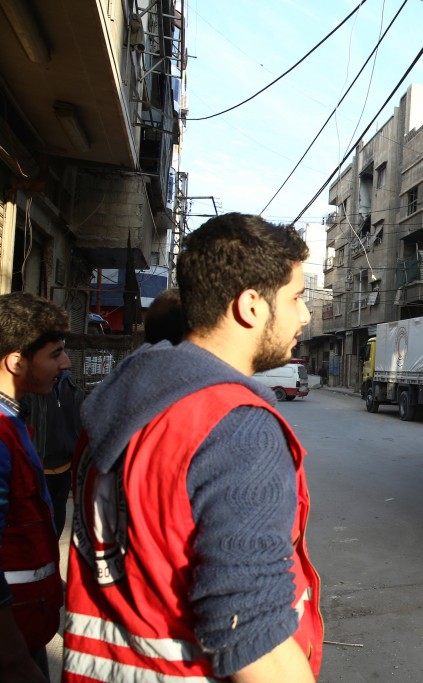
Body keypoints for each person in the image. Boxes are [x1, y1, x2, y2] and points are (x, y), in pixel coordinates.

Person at [63, 213, 323, 682]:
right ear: (251, 306)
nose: (305, 315)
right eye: (297, 298)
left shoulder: (123, 402)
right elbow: (251, 633)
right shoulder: (237, 427)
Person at [0, 292, 71, 683]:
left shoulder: (15, 421)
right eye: (55, 354)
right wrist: (15, 662)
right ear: (16, 362)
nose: (65, 363)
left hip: (26, 631)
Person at [21, 366, 85, 537]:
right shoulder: (29, 391)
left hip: (63, 468)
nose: (63, 358)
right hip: (37, 469)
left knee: (57, 519)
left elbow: (80, 425)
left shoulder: (72, 388)